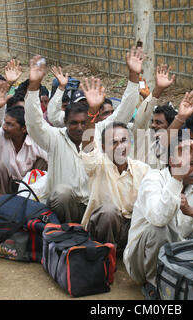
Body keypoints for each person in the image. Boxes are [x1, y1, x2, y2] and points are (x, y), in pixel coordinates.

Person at [25, 47, 144, 223]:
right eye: (74, 123)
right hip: (65, 208)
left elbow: (124, 112)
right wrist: (34, 85)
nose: (79, 127)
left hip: (95, 207)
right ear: (64, 122)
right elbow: (34, 122)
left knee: (110, 208)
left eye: (83, 122)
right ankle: (65, 237)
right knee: (62, 193)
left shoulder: (100, 130)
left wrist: (134, 75)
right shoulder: (54, 137)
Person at [123, 138, 193, 300]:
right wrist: (177, 178)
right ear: (173, 162)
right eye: (192, 163)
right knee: (160, 228)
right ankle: (154, 284)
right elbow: (159, 219)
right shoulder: (153, 180)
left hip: (178, 258)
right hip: (141, 262)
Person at [78, 77, 150, 254]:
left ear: (130, 143)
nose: (120, 146)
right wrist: (92, 113)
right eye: (113, 142)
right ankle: (104, 258)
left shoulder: (142, 169)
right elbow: (88, 147)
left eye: (124, 141)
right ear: (103, 147)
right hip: (101, 230)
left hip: (130, 230)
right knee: (109, 212)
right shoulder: (98, 165)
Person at [0, 81, 47, 199]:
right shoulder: (0, 135)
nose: (4, 127)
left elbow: (52, 158)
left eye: (10, 125)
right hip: (5, 187)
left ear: (24, 129)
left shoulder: (35, 140)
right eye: (5, 122)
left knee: (44, 162)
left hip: (29, 186)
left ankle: (32, 203)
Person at [132, 64, 176, 169]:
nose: (152, 125)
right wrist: (158, 90)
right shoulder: (144, 137)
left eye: (158, 123)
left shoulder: (177, 146)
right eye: (153, 121)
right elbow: (141, 118)